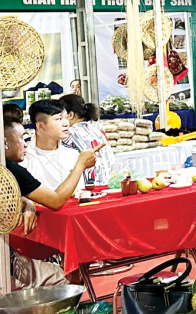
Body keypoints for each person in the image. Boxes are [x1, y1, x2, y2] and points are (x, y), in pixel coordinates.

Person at [4, 117, 96, 289]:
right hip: (7, 269)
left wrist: (26, 202)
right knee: (71, 278)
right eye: (22, 137)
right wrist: (80, 165)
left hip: (10, 257)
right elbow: (55, 201)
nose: (25, 143)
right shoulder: (10, 169)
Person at [22, 101, 85, 193]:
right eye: (59, 119)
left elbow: (79, 192)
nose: (66, 124)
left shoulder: (72, 155)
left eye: (66, 118)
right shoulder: (24, 158)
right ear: (40, 125)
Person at [60, 94, 114, 185]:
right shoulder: (97, 126)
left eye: (60, 117)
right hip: (110, 181)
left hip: (89, 186)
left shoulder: (70, 133)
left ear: (70, 115)